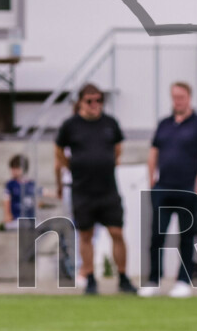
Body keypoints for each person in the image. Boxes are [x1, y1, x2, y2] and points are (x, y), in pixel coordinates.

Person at [54, 83, 136, 295]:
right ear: (81, 102)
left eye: (99, 100)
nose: (95, 105)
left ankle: (123, 276)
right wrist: (72, 166)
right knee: (86, 235)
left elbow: (118, 149)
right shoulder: (71, 125)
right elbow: (58, 151)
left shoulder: (110, 123)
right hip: (83, 189)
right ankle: (89, 277)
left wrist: (106, 162)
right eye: (90, 101)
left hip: (108, 189)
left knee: (116, 232)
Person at [139, 82, 197, 299]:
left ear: (189, 98)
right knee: (156, 236)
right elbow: (153, 153)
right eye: (174, 97)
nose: (177, 101)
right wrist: (151, 181)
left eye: (181, 97)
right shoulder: (164, 124)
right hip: (163, 188)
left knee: (186, 236)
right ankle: (154, 279)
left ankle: (183, 280)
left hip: (188, 189)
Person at [3, 154, 37, 229]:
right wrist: (7, 214)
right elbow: (6, 200)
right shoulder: (10, 185)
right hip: (16, 218)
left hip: (30, 217)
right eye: (12, 168)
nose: (14, 171)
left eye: (16, 168)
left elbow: (42, 193)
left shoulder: (31, 184)